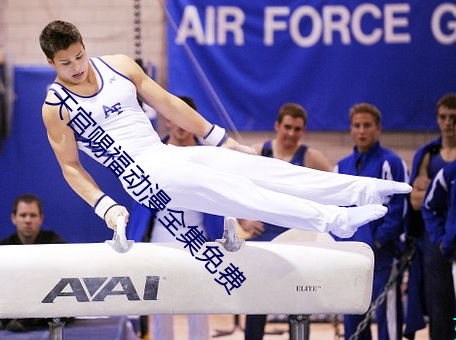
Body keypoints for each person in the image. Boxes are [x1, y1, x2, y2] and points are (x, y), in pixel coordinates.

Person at [39, 20, 410, 254]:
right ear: (51, 63)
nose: (76, 68)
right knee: (241, 195)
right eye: (66, 63)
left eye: (79, 56)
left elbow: (168, 103)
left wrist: (219, 139)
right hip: (144, 177)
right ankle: (333, 220)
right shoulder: (56, 106)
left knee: (259, 169)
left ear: (85, 46)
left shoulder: (118, 65)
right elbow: (70, 167)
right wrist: (104, 206)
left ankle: (357, 190)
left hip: (166, 153)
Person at [127, 96, 224, 340]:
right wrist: (133, 240)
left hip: (200, 239)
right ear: (167, 120)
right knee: (161, 306)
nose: (181, 126)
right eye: (175, 119)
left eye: (185, 120)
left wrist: (222, 237)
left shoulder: (208, 159)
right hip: (161, 238)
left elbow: (221, 200)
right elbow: (138, 201)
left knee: (199, 306)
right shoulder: (151, 155)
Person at [242, 102, 332, 340]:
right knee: (256, 302)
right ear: (277, 126)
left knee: (299, 300)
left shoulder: (312, 158)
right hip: (263, 235)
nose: (292, 134)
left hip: (297, 239)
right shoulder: (257, 152)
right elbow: (230, 189)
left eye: (297, 129)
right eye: (288, 127)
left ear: (303, 131)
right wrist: (243, 220)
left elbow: (335, 192)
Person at [333, 103, 408, 340]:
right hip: (351, 259)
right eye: (357, 126)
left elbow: (398, 209)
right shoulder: (341, 167)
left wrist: (378, 242)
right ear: (351, 130)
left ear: (378, 129)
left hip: (382, 257)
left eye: (367, 125)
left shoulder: (391, 163)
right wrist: (341, 243)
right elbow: (334, 209)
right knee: (353, 321)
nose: (362, 131)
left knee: (388, 320)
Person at [0, 194, 66, 334]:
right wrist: (6, 283)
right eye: (23, 215)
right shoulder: (3, 246)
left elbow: (64, 270)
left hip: (42, 301)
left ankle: (26, 319)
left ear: (41, 218)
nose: (28, 220)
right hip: (11, 298)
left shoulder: (54, 242)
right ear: (14, 218)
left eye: (33, 215)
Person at [406, 93, 456, 340]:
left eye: (453, 118)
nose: (448, 123)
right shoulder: (428, 154)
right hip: (435, 238)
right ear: (437, 119)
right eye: (443, 117)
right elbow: (415, 202)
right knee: (439, 304)